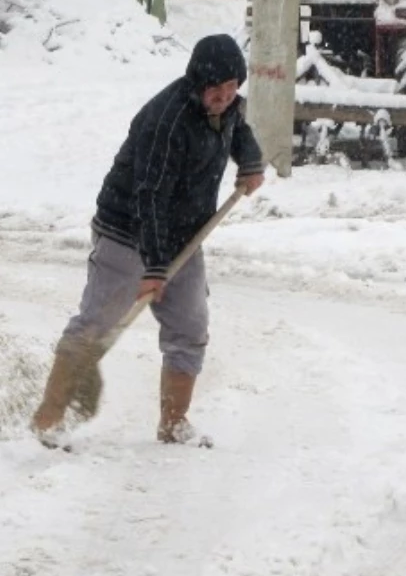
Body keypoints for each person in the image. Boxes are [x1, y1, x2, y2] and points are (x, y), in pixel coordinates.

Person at [30, 34, 265, 446]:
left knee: (190, 326)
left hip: (184, 236)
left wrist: (249, 159)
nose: (225, 98)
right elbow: (150, 196)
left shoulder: (226, 108)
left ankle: (174, 424)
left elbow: (237, 128)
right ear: (198, 82)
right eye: (217, 90)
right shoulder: (166, 121)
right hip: (127, 232)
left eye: (232, 89)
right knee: (97, 326)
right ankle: (47, 420)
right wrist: (155, 267)